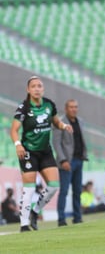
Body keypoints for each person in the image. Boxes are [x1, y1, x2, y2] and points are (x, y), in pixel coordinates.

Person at [10, 76, 73, 232]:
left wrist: (64, 126)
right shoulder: (24, 107)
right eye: (34, 86)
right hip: (28, 152)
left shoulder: (49, 104)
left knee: (53, 186)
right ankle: (24, 225)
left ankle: (35, 211)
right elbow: (14, 130)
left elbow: (55, 122)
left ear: (43, 89)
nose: (37, 88)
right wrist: (18, 145)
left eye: (39, 86)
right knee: (29, 189)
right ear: (28, 90)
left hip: (45, 151)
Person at [53, 99, 88, 226]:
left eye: (76, 107)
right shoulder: (59, 123)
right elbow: (56, 143)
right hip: (67, 161)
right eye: (71, 107)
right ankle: (61, 219)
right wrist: (63, 160)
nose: (74, 109)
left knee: (78, 190)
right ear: (66, 109)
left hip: (79, 160)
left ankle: (77, 217)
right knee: (64, 191)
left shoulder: (81, 122)